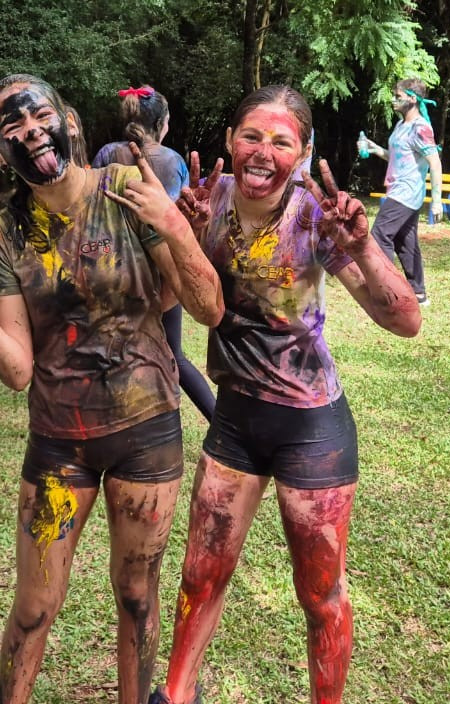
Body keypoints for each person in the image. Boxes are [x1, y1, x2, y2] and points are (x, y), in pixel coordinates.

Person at [0, 74, 223, 704]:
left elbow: (208, 309)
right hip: (60, 442)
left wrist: (175, 226)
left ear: (66, 121)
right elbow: (16, 371)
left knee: (138, 596)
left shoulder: (126, 189)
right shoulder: (4, 234)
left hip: (146, 429)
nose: (31, 132)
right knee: (34, 605)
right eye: (12, 127)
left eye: (39, 116)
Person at [150, 85, 422, 704]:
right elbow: (173, 303)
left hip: (311, 428)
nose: (262, 152)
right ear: (230, 140)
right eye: (251, 136)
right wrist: (184, 237)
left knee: (320, 594)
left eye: (281, 142)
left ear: (301, 154)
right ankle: (176, 695)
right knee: (199, 576)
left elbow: (405, 320)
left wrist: (361, 246)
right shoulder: (206, 200)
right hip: (236, 419)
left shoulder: (313, 216)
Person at [93, 86, 215, 420]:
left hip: (113, 270)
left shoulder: (107, 154)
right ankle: (216, 420)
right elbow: (177, 218)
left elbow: (93, 209)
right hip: (162, 273)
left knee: (112, 351)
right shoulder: (173, 161)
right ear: (161, 123)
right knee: (174, 354)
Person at [357, 77, 442, 306]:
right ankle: (418, 292)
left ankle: (388, 290)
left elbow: (434, 163)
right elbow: (398, 157)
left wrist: (436, 201)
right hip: (398, 189)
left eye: (398, 96)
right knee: (406, 242)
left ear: (412, 99)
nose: (393, 100)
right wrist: (375, 149)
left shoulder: (420, 128)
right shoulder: (401, 126)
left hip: (407, 192)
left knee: (379, 235)